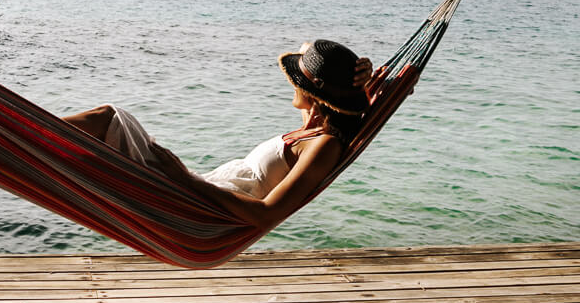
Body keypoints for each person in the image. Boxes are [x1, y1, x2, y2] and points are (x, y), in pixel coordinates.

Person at [62, 39, 373, 232]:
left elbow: (267, 215)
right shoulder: (314, 125)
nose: (291, 83)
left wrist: (183, 177)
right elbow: (308, 49)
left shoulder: (324, 145)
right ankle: (24, 132)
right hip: (197, 190)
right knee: (110, 119)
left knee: (109, 118)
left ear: (313, 92)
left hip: (196, 206)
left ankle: (24, 130)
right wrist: (359, 73)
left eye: (297, 80)